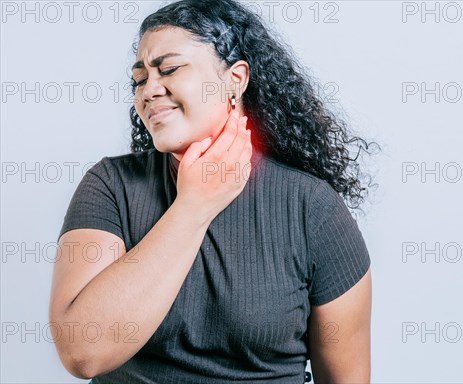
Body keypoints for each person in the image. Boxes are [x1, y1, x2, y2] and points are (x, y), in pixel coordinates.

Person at [49, 0, 377, 382]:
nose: (149, 90)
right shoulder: (110, 186)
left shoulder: (311, 208)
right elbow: (84, 352)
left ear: (235, 79)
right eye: (139, 79)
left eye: (169, 69)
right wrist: (193, 205)